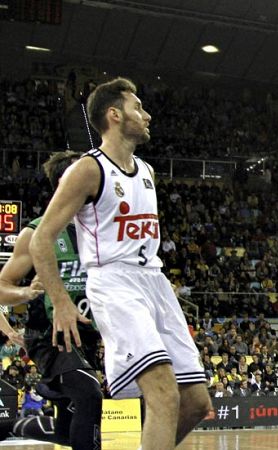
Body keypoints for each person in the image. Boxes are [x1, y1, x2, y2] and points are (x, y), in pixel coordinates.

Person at [29, 78, 211, 450]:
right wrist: (61, 301)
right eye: (137, 108)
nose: (146, 115)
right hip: (114, 283)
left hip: (153, 281)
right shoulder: (87, 169)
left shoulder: (146, 171)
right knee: (163, 393)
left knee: (195, 403)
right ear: (114, 115)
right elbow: (42, 237)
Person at [0, 151, 104, 449]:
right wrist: (27, 293)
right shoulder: (36, 231)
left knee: (68, 428)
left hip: (86, 334)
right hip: (49, 333)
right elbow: (2, 285)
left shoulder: (98, 230)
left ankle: (18, 425)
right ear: (65, 182)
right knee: (89, 394)